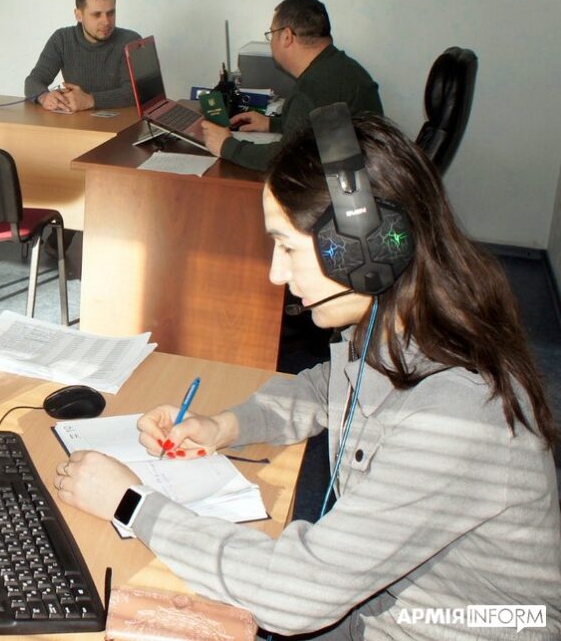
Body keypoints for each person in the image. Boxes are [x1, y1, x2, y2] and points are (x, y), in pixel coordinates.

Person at [54, 115, 560, 639]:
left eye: (288, 247)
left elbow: (297, 595)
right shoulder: (400, 329)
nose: (276, 273)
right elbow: (326, 387)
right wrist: (226, 425)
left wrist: (131, 503)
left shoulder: (458, 416)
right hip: (383, 607)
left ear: (367, 252)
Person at [203, 0, 382, 171]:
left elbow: (288, 159)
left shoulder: (311, 88)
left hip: (342, 184)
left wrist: (226, 146)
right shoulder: (342, 67)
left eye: (272, 34)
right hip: (370, 176)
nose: (271, 42)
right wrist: (273, 124)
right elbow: (320, 130)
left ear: (287, 36)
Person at [24, 0, 140, 113]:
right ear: (79, 15)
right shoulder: (62, 39)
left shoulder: (130, 41)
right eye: (97, 15)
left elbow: (136, 92)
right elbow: (33, 81)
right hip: (77, 121)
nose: (106, 21)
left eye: (111, 13)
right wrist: (44, 97)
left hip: (123, 121)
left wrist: (90, 100)